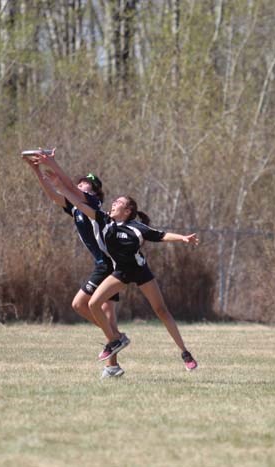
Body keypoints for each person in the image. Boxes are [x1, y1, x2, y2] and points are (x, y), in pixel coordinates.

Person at [40, 157, 199, 372]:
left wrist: (182, 238)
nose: (113, 204)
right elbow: (78, 204)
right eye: (114, 202)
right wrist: (60, 187)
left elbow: (161, 236)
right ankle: (115, 340)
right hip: (121, 273)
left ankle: (185, 352)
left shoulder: (136, 227)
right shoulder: (103, 220)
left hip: (140, 271)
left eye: (119, 204)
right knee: (93, 304)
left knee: (161, 310)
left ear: (128, 211)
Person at [22, 149, 129, 378]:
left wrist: (52, 163)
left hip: (107, 263)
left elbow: (67, 186)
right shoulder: (75, 206)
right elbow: (54, 194)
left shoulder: (93, 203)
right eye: (80, 184)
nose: (82, 186)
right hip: (106, 262)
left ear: (95, 192)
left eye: (86, 185)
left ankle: (115, 339)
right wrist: (36, 170)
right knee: (107, 315)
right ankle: (113, 365)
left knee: (80, 305)